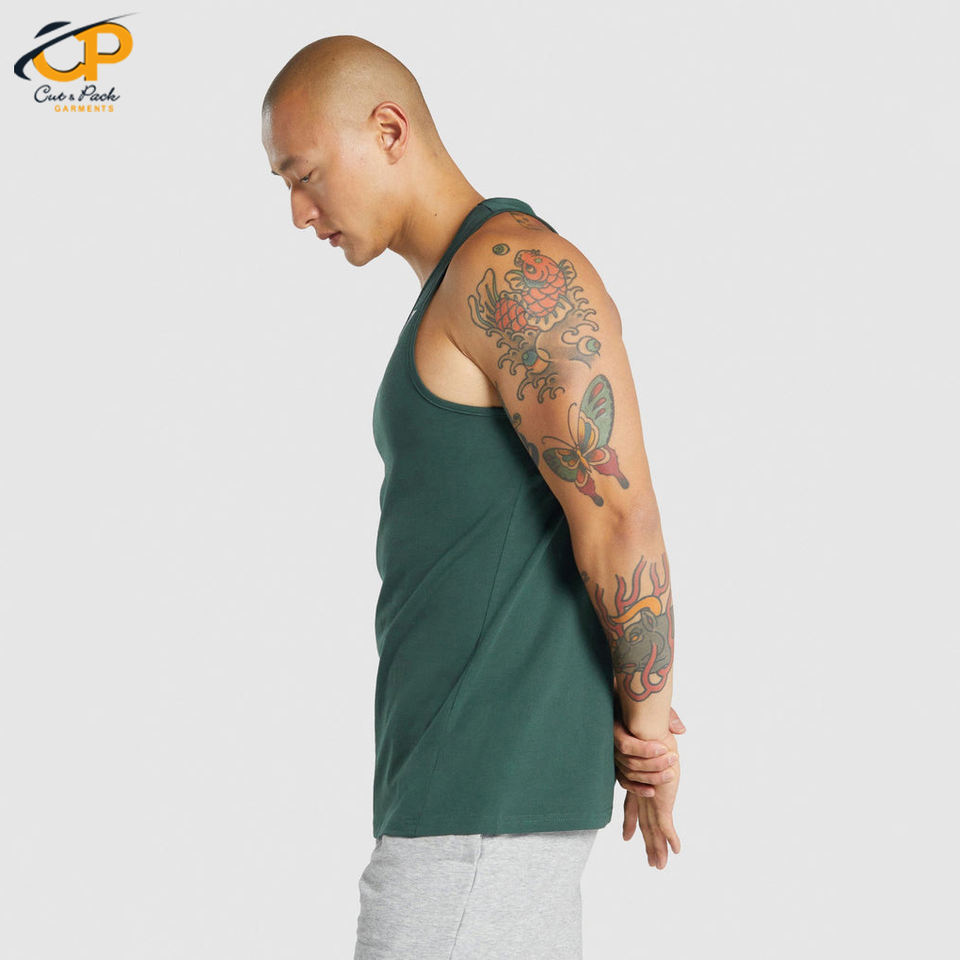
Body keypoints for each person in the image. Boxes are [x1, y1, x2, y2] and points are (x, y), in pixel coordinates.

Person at [261, 34, 686, 960]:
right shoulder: (460, 287)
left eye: (305, 175)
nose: (298, 212)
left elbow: (621, 515)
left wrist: (648, 738)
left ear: (388, 131)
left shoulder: (511, 274)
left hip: (475, 834)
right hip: (465, 823)